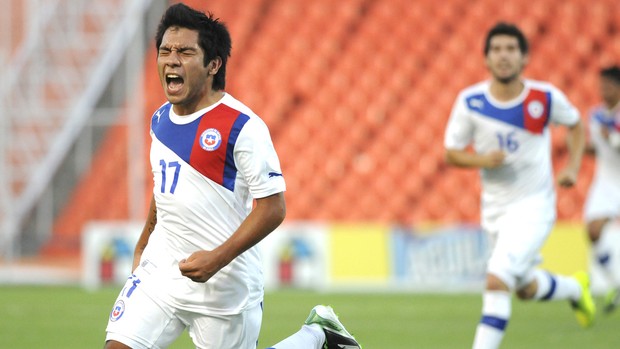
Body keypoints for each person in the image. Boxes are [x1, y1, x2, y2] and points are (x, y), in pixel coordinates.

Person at [103, 3, 361, 349]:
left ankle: (316, 335)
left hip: (224, 286)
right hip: (161, 273)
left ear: (213, 64)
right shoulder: (160, 119)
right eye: (165, 51)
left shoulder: (243, 127)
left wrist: (216, 259)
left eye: (185, 51)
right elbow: (165, 186)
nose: (171, 60)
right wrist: (144, 241)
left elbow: (273, 208)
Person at [443, 22, 594, 349]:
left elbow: (576, 125)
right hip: (495, 209)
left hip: (535, 206)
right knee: (523, 287)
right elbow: (451, 153)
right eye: (496, 49)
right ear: (486, 59)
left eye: (511, 49)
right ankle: (574, 289)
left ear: (524, 57)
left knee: (497, 279)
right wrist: (482, 161)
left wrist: (572, 167)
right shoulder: (470, 102)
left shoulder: (544, 97)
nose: (504, 56)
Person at [583, 65, 620, 314]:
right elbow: (600, 149)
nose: (603, 90)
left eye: (608, 85)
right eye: (601, 85)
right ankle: (616, 283)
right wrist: (581, 148)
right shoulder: (595, 115)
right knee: (593, 230)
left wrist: (613, 139)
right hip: (606, 182)